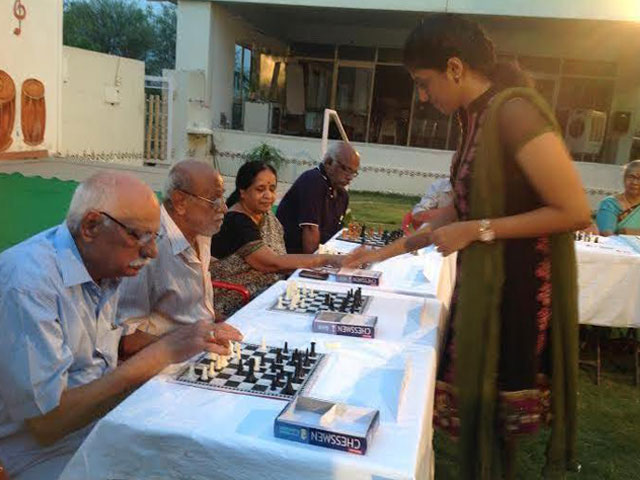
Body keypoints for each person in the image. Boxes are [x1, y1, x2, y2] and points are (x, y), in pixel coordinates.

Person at [345, 14, 591, 479]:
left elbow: (575, 210)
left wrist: (479, 230)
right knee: (486, 424)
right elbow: (460, 211)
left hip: (518, 292)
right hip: (486, 284)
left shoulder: (515, 112)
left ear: (455, 68)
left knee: (498, 422)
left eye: (423, 83)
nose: (422, 96)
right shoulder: (475, 118)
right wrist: (379, 254)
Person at [0, 172, 242, 480]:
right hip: (45, 456)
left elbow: (114, 340)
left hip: (104, 425)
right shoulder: (29, 284)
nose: (152, 252)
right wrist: (162, 354)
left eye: (155, 237)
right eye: (139, 236)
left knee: (211, 450)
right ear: (90, 226)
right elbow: (48, 423)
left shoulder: (104, 264)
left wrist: (183, 338)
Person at [117, 161, 228, 357]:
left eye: (223, 197)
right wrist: (188, 342)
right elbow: (125, 340)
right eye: (214, 200)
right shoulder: (148, 246)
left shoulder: (202, 233)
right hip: (161, 362)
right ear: (180, 202)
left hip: (200, 348)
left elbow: (197, 310)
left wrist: (219, 325)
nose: (224, 208)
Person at [211, 161, 343, 316]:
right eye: (260, 189)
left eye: (272, 189)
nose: (268, 195)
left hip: (266, 292)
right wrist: (326, 260)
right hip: (235, 299)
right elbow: (271, 263)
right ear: (243, 192)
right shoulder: (237, 221)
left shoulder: (264, 215)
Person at [276, 141, 360, 253]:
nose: (350, 177)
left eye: (354, 173)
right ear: (329, 162)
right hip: (290, 256)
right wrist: (315, 267)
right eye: (346, 169)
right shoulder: (313, 181)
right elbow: (310, 230)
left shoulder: (342, 195)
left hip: (322, 255)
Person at [596, 159, 640, 236]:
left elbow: (623, 232)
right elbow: (607, 234)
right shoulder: (610, 204)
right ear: (624, 178)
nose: (634, 182)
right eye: (631, 177)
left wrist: (626, 231)